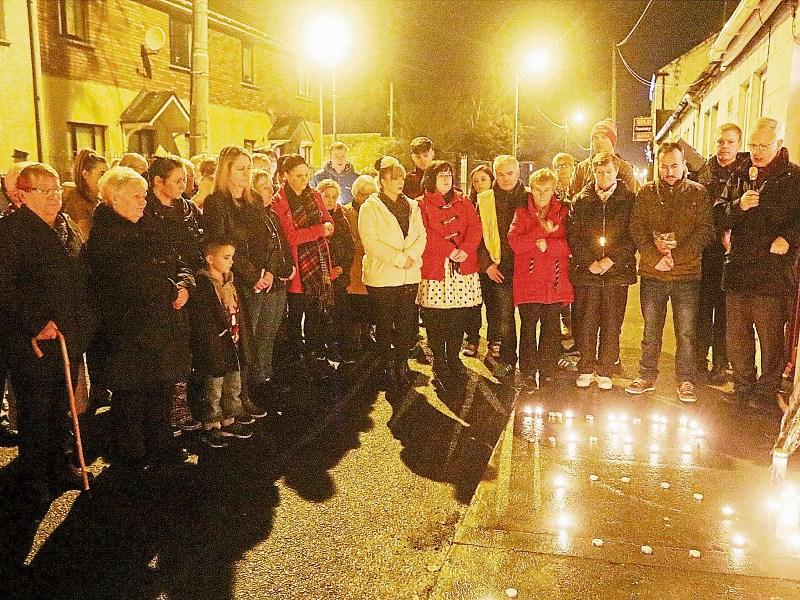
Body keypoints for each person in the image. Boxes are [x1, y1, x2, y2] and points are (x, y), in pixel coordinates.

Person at [88, 166, 193, 468]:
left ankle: (159, 442)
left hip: (160, 326)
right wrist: (173, 291)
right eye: (136, 196)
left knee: (160, 390)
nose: (143, 202)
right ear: (114, 199)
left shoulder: (150, 225)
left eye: (144, 196)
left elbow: (177, 259)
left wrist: (185, 284)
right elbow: (133, 279)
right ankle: (131, 456)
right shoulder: (106, 236)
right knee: (132, 396)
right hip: (129, 333)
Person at [0, 163, 92, 502]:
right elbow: (6, 286)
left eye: (57, 190)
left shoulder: (65, 226)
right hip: (33, 339)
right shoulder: (11, 231)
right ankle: (33, 476)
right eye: (45, 191)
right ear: (23, 195)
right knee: (36, 409)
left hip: (67, 332)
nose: (55, 197)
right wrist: (35, 321)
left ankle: (60, 464)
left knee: (60, 404)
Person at [717, 117, 800, 407]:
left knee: (770, 337)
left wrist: (789, 241)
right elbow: (718, 213)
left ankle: (766, 390)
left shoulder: (793, 178)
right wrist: (738, 206)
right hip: (739, 269)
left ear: (779, 144)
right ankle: (742, 384)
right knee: (737, 335)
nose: (757, 151)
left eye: (764, 145)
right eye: (753, 144)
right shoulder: (740, 174)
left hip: (772, 273)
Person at [627, 142, 713, 402]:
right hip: (653, 274)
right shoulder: (646, 193)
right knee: (651, 329)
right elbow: (636, 229)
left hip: (686, 275)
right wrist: (655, 257)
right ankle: (646, 374)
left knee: (686, 332)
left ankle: (686, 379)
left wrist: (676, 257)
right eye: (664, 166)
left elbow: (705, 231)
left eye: (674, 165)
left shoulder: (698, 193)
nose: (669, 171)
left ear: (683, 164)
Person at [203, 146, 279, 415]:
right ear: (226, 171)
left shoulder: (253, 201)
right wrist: (252, 275)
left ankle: (245, 395)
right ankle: (234, 401)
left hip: (260, 278)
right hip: (235, 282)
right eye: (241, 168)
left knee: (255, 340)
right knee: (239, 342)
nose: (247, 174)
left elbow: (269, 238)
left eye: (249, 168)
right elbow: (222, 244)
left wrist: (268, 270)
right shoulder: (216, 204)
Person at [145, 156, 205, 433]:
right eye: (178, 181)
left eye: (186, 180)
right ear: (159, 182)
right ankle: (165, 412)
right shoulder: (145, 211)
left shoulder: (188, 209)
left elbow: (195, 247)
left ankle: (184, 404)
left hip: (190, 284)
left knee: (188, 350)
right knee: (166, 352)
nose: (184, 186)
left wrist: (188, 282)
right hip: (162, 291)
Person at [567, 153, 636, 389]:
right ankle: (586, 366)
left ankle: (605, 367)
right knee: (585, 320)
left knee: (611, 321)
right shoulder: (581, 200)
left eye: (608, 172)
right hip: (587, 272)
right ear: (593, 173)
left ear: (616, 172)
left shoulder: (628, 199)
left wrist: (612, 260)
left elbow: (632, 234)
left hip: (617, 272)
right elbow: (574, 235)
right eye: (599, 172)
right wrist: (589, 261)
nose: (603, 177)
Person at [359, 156, 426, 387]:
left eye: (402, 178)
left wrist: (412, 257)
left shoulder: (412, 205)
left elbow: (421, 235)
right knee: (385, 323)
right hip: (383, 276)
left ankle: (401, 363)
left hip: (409, 275)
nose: (400, 183)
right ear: (383, 180)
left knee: (407, 322)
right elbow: (371, 242)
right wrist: (399, 258)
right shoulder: (370, 207)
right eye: (395, 178)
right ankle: (386, 365)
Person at [417, 161, 482, 390]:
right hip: (436, 268)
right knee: (435, 319)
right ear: (431, 178)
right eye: (441, 175)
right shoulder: (421, 205)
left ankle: (453, 357)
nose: (446, 179)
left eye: (449, 174)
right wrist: (450, 250)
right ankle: (439, 360)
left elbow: (475, 227)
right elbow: (423, 234)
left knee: (458, 317)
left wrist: (465, 249)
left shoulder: (464, 201)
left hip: (462, 267)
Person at [508, 168, 573, 391]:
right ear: (531, 189)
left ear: (554, 190)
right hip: (529, 281)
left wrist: (549, 245)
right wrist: (540, 233)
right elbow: (515, 242)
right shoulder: (522, 212)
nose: (542, 194)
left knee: (550, 329)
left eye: (547, 190)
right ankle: (527, 372)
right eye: (538, 190)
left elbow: (568, 245)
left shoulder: (563, 212)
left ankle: (547, 370)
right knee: (528, 328)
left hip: (554, 282)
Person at [691, 123, 746, 384]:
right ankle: (698, 360)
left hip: (732, 253)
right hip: (706, 251)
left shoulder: (745, 174)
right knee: (702, 310)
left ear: (738, 144)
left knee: (726, 314)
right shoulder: (703, 173)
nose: (724, 146)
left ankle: (721, 364)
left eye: (730, 142)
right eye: (720, 141)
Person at [271, 154, 336, 374]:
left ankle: (313, 351)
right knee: (296, 311)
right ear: (285, 175)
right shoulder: (279, 201)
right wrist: (319, 230)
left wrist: (326, 226)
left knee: (316, 311)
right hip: (297, 264)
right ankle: (297, 354)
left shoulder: (315, 195)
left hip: (317, 262)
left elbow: (328, 220)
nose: (303, 180)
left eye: (306, 175)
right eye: (298, 176)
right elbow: (291, 237)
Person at [189, 239, 253, 448]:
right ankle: (211, 424)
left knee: (233, 382)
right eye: (226, 257)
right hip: (215, 342)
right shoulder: (203, 285)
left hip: (233, 339)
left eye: (232, 257)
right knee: (214, 386)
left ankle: (230, 418)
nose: (231, 262)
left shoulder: (231, 281)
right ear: (210, 259)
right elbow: (202, 319)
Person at [477, 155, 528, 379]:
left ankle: (530, 364)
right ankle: (508, 360)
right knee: (505, 318)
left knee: (529, 319)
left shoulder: (530, 197)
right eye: (501, 174)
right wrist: (487, 264)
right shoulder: (485, 199)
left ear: (518, 173)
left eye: (510, 173)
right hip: (500, 267)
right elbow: (476, 235)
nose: (505, 178)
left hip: (528, 268)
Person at [317, 179, 355, 361]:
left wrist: (342, 267)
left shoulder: (342, 218)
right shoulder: (314, 217)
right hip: (319, 276)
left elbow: (350, 247)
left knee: (341, 314)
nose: (330, 201)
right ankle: (323, 350)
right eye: (326, 196)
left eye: (333, 197)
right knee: (321, 316)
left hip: (338, 275)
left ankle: (344, 349)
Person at [342, 174, 378, 355]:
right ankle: (354, 339)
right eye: (363, 194)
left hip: (370, 265)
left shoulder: (377, 212)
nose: (366, 198)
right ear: (355, 194)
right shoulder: (345, 212)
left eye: (371, 194)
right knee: (353, 305)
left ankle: (366, 334)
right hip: (353, 266)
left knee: (368, 304)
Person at [463, 165, 494, 358]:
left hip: (492, 261)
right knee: (473, 305)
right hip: (474, 263)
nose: (479, 184)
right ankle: (472, 339)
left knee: (493, 304)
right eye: (475, 181)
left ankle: (493, 340)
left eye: (483, 179)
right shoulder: (469, 204)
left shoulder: (495, 202)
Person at [569, 119, 639, 198]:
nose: (599, 141)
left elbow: (631, 199)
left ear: (612, 141)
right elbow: (572, 195)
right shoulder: (582, 168)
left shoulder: (624, 168)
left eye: (603, 137)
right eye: (595, 138)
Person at [62, 148, 108, 240]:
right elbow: (85, 237)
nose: (106, 178)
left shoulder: (96, 198)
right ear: (85, 174)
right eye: (102, 174)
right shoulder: (77, 201)